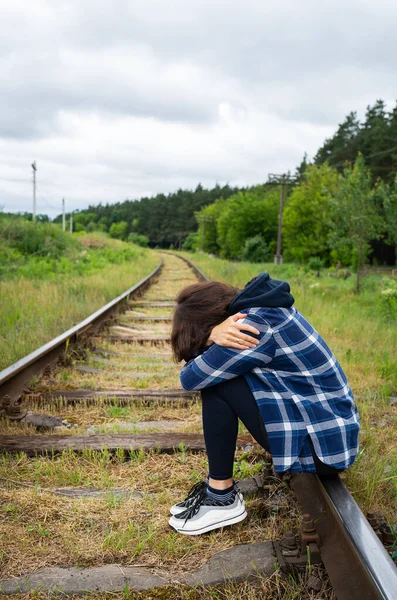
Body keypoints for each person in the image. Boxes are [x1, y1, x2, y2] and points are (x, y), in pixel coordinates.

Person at [168, 273, 360, 536]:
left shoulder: (253, 326)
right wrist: (212, 335)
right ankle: (218, 493)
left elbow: (190, 378)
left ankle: (222, 497)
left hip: (323, 450)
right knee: (224, 375)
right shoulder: (262, 310)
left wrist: (210, 336)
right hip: (330, 435)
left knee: (218, 384)